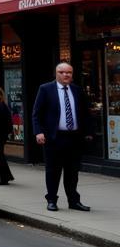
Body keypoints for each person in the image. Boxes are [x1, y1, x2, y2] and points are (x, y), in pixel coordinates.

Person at [32, 61, 92, 212]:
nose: (66, 75)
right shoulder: (45, 89)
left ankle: (73, 201)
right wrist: (38, 132)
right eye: (62, 72)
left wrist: (89, 132)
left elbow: (85, 113)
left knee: (73, 171)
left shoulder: (77, 90)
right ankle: (52, 200)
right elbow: (36, 114)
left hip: (74, 138)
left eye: (69, 73)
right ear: (56, 74)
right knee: (53, 171)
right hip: (54, 138)